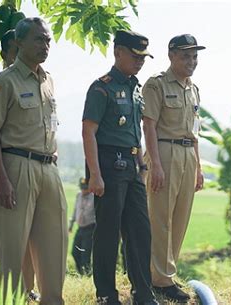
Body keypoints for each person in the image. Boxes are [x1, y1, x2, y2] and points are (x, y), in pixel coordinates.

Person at [0, 18, 67, 304]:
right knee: (11, 250)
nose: (45, 46)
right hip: (16, 166)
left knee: (54, 246)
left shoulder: (48, 81)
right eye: (38, 39)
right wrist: (2, 179)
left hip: (49, 166)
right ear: (18, 43)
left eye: (47, 40)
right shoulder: (4, 82)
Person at [82, 30, 157, 305]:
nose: (140, 61)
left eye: (143, 57)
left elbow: (135, 132)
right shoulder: (101, 87)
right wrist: (95, 175)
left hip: (132, 165)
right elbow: (88, 131)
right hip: (108, 164)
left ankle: (143, 292)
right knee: (108, 233)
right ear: (118, 52)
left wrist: (142, 165)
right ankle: (106, 294)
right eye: (135, 56)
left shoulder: (135, 88)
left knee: (140, 230)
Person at [142, 34, 205, 302]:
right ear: (171, 56)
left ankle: (167, 273)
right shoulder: (156, 85)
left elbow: (195, 131)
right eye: (185, 56)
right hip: (164, 153)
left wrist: (199, 167)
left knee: (180, 219)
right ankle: (159, 279)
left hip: (187, 154)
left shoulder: (193, 89)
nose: (191, 61)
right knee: (161, 218)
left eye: (194, 56)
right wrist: (155, 164)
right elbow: (149, 125)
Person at [0, 29, 41, 304]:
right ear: (6, 52)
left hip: (21, 169)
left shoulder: (37, 82)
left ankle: (26, 287)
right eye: (12, 50)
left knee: (28, 233)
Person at [69, 177, 95, 276]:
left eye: (85, 188)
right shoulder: (78, 196)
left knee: (85, 255)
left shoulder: (94, 197)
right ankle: (80, 272)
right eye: (82, 188)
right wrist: (71, 225)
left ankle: (87, 275)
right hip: (80, 229)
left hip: (90, 229)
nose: (83, 190)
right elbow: (75, 210)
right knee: (74, 252)